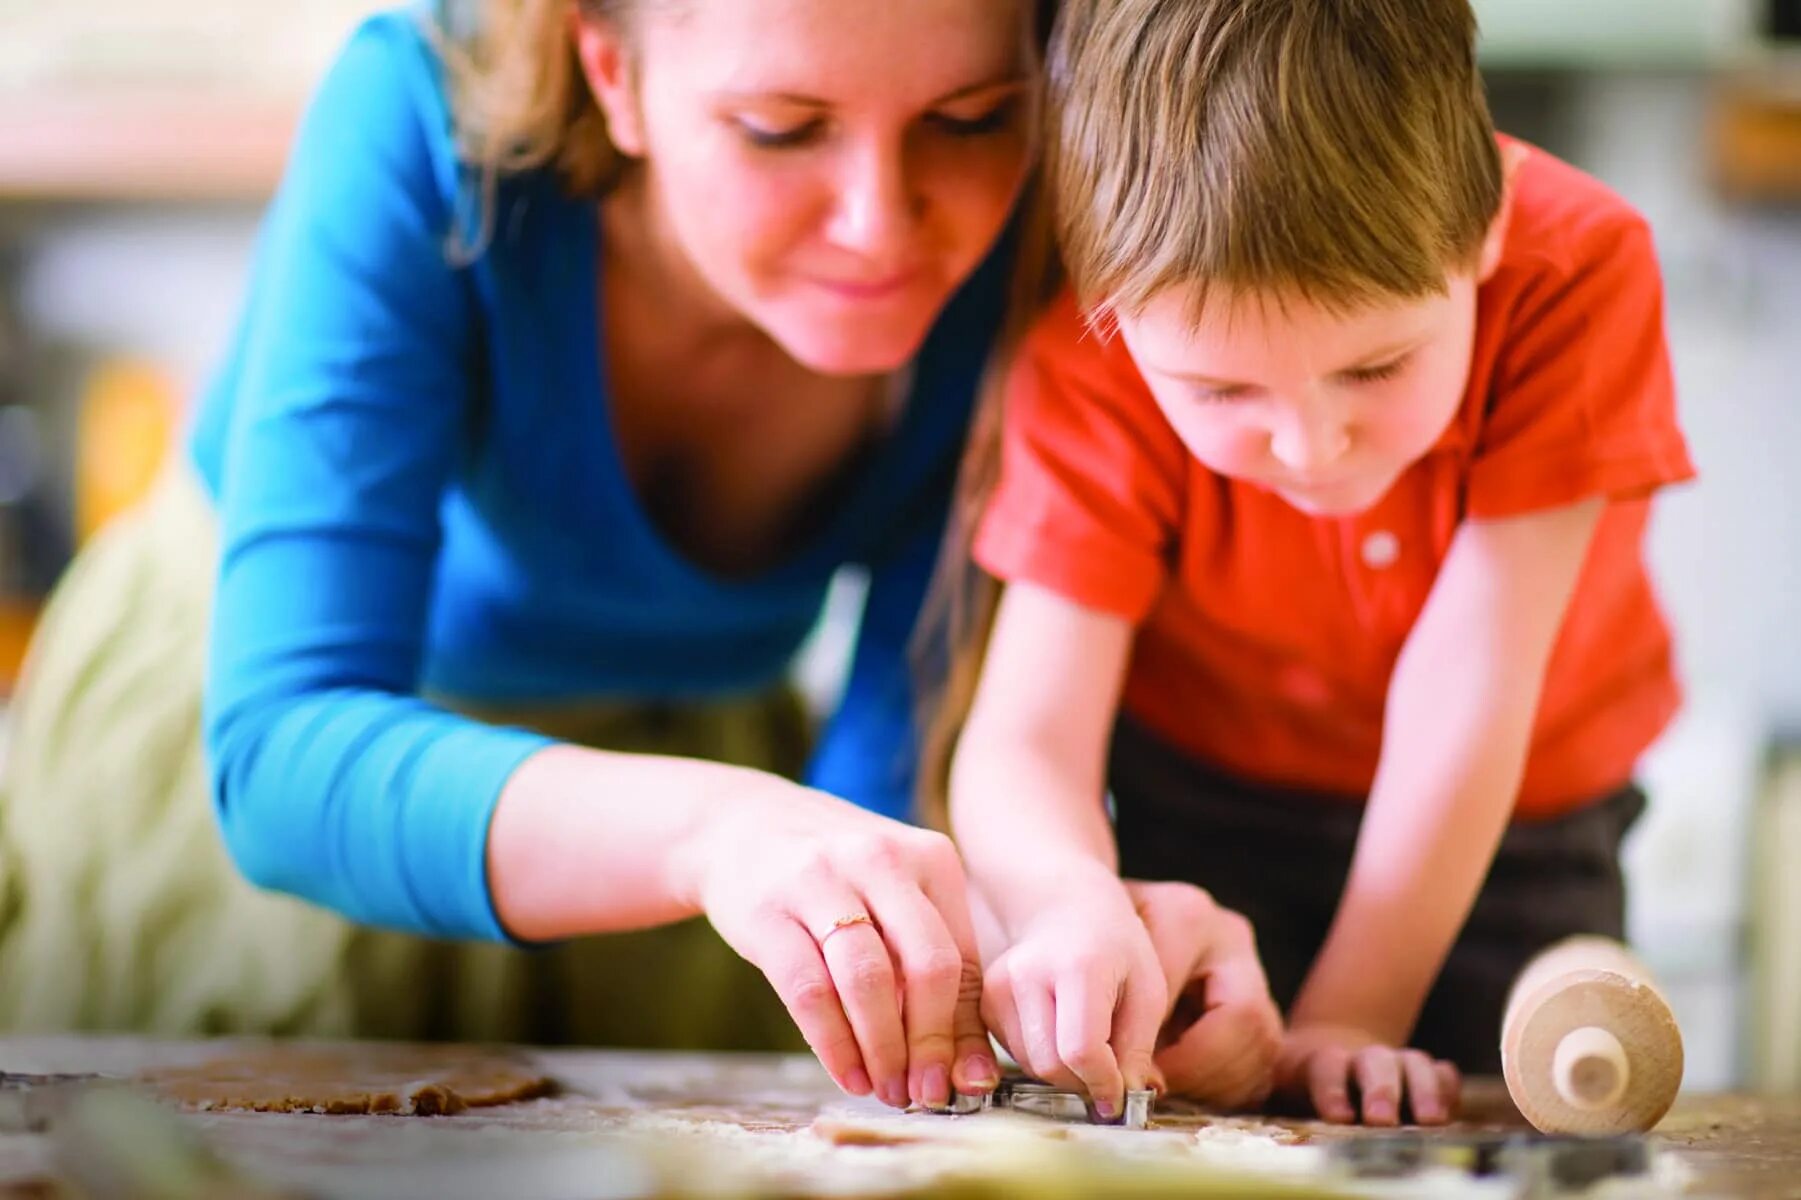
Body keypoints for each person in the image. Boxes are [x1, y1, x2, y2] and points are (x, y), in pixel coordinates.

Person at [0, 0, 1056, 1114]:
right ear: (609, 70)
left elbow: (897, 764)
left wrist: (1052, 934)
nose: (880, 224)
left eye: (972, 117)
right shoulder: (424, 115)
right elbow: (278, 754)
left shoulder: (1036, 221)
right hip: (301, 789)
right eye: (779, 129)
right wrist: (717, 829)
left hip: (703, 805)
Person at [939, 0, 1694, 1125]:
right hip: (1205, 806)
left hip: (1515, 825)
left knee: (1532, 1121)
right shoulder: (1082, 347)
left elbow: (1471, 671)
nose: (1306, 445)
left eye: (1375, 365)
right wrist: (1065, 902)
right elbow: (1027, 735)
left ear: (1482, 237)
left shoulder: (1577, 268)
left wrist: (1351, 1013)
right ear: (1112, 311)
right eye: (1220, 391)